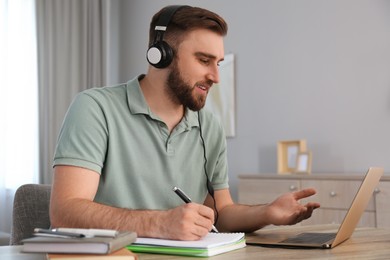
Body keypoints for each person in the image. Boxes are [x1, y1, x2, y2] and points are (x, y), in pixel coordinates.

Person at [50, 5, 320, 241]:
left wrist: (268, 212)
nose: (215, 77)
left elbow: (222, 214)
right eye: (204, 60)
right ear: (161, 54)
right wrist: (159, 223)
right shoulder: (95, 108)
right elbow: (65, 211)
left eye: (219, 63)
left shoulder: (209, 127)